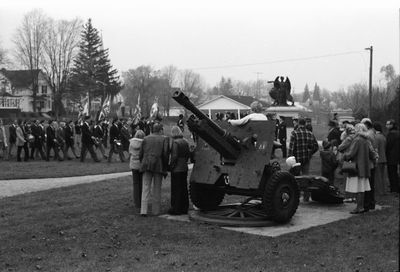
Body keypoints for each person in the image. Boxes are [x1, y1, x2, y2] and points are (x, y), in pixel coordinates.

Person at [343, 123, 378, 214]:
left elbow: (351, 154)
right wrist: (375, 158)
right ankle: (361, 206)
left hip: (357, 167)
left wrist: (344, 156)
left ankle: (359, 207)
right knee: (362, 188)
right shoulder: (367, 140)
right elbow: (372, 153)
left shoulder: (357, 140)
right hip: (365, 167)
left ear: (358, 130)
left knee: (358, 188)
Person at [139, 123, 169, 216]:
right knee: (157, 188)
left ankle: (143, 210)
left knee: (145, 187)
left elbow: (141, 153)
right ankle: (155, 210)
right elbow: (165, 154)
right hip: (158, 164)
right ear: (160, 130)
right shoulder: (164, 139)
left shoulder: (145, 138)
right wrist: (165, 166)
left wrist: (143, 161)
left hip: (146, 163)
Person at [288, 117, 319, 201]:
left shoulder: (294, 133)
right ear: (305, 124)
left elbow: (291, 147)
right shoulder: (310, 133)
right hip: (306, 158)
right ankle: (306, 196)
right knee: (305, 177)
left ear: (298, 123)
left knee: (295, 178)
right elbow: (316, 146)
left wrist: (289, 157)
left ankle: (295, 196)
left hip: (296, 159)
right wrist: (310, 153)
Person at [168, 126, 191, 215]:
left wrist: (171, 166)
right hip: (184, 166)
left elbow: (174, 156)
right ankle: (184, 207)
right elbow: (188, 154)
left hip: (177, 168)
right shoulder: (185, 141)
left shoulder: (175, 143)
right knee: (183, 188)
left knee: (176, 189)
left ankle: (176, 208)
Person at [361, 118, 377, 211]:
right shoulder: (372, 132)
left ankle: (369, 203)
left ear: (366, 125)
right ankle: (371, 203)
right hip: (372, 161)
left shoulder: (369, 134)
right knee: (371, 184)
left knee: (368, 184)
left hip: (369, 162)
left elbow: (370, 147)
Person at [129, 130, 145, 209]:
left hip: (133, 164)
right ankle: (142, 201)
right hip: (141, 164)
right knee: (142, 183)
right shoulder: (144, 143)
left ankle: (136, 202)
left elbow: (130, 152)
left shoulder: (131, 143)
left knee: (135, 184)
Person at [385, 119, 399, 193]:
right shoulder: (397, 132)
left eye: (388, 124)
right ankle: (396, 187)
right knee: (395, 172)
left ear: (392, 125)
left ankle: (394, 188)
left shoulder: (391, 134)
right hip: (396, 156)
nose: (386, 126)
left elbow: (388, 145)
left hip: (391, 156)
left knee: (391, 173)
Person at [373, 123, 387, 195]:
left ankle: (379, 191)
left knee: (378, 177)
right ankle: (383, 190)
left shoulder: (376, 137)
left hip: (378, 159)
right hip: (383, 158)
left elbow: (375, 149)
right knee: (382, 176)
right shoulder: (383, 136)